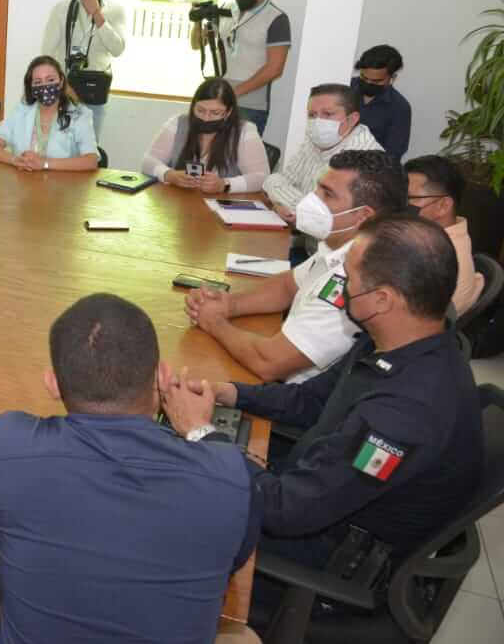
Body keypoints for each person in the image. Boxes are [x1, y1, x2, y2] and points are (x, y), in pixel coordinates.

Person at [161, 214, 483, 619]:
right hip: (315, 494)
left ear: (383, 299)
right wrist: (230, 393)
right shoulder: (398, 339)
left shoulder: (403, 415)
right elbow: (309, 401)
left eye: (348, 279)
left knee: (153, 511)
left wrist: (201, 434)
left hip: (318, 562)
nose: (340, 288)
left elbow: (284, 511)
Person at [0, 293, 259, 644]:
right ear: (161, 376)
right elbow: (231, 559)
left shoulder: (5, 441)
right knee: (243, 635)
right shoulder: (229, 475)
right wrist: (201, 432)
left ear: (52, 384)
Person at [187, 150, 407, 383]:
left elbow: (270, 363)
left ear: (362, 216)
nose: (312, 199)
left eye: (327, 194)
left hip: (292, 400)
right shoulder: (340, 245)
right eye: (318, 188)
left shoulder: (357, 276)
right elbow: (286, 286)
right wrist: (229, 304)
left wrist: (215, 323)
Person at [190, 0, 290, 134]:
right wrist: (197, 21)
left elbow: (275, 68)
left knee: (241, 158)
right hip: (217, 100)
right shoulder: (225, 9)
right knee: (209, 154)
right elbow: (196, 45)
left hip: (251, 105)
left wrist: (233, 93)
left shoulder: (276, 18)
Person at [263, 84, 384, 224]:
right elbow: (276, 180)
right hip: (304, 236)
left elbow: (324, 216)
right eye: (312, 115)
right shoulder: (314, 139)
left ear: (352, 119)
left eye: (327, 114)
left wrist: (284, 201)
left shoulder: (364, 156)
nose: (317, 122)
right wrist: (282, 204)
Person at [39, 0, 126, 139]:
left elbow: (117, 49)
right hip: (65, 89)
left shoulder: (115, 11)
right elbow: (47, 53)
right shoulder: (62, 9)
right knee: (59, 145)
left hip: (95, 89)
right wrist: (62, 85)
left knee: (89, 149)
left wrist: (97, 14)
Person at [142, 78, 270, 193]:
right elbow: (148, 161)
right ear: (193, 106)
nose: (206, 118)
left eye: (215, 112)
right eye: (200, 110)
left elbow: (261, 177)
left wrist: (225, 185)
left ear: (229, 112)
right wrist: (169, 175)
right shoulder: (178, 122)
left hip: (222, 208)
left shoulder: (245, 131)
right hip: (181, 202)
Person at [0, 55, 99, 172]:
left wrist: (45, 164)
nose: (45, 86)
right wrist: (15, 160)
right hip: (25, 184)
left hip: (63, 187)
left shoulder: (79, 114)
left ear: (61, 82)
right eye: (38, 82)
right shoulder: (22, 111)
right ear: (31, 88)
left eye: (50, 80)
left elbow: (91, 160)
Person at [405, 155, 484, 316]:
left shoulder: (440, 262)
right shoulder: (428, 237)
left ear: (444, 205)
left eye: (410, 198)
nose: (402, 205)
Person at [351, 44, 411, 159]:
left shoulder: (399, 108)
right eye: (364, 78)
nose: (368, 83)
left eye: (376, 81)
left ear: (392, 78)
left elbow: (393, 154)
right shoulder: (345, 89)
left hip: (369, 169)